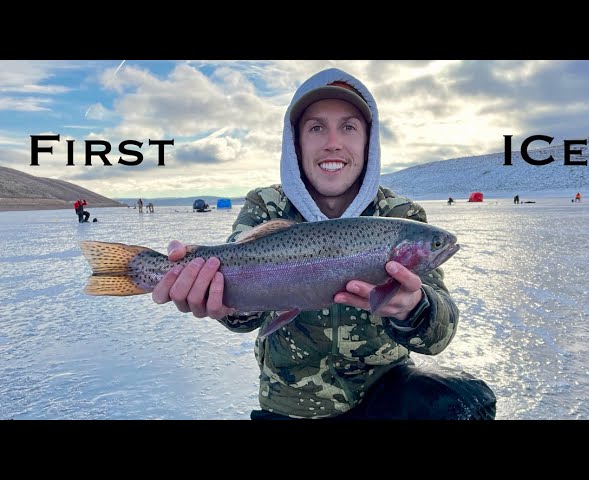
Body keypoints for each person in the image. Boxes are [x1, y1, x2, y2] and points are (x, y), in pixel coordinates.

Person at [151, 68, 497, 420]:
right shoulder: (266, 205)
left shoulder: (401, 214)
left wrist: (414, 308)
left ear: (368, 141)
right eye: (317, 128)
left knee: (468, 400)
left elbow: (439, 337)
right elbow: (242, 317)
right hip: (292, 402)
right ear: (295, 143)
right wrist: (224, 302)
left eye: (348, 127)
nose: (333, 141)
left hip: (385, 394)